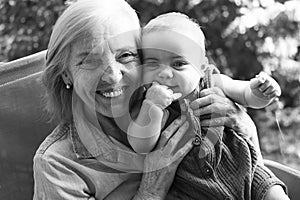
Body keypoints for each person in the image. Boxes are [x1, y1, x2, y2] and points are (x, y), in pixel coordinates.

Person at [33, 0, 277, 199]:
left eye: (126, 55)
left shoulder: (175, 97)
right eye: (89, 60)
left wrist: (240, 121)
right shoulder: (57, 164)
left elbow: (251, 168)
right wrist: (152, 189)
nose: (112, 75)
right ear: (66, 74)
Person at [127, 12, 289, 200]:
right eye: (152, 63)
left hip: (243, 169)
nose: (164, 73)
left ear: (202, 67)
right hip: (191, 187)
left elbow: (246, 95)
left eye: (178, 64)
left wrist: (261, 91)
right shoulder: (147, 100)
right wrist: (151, 108)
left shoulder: (214, 81)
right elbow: (140, 144)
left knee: (273, 193)